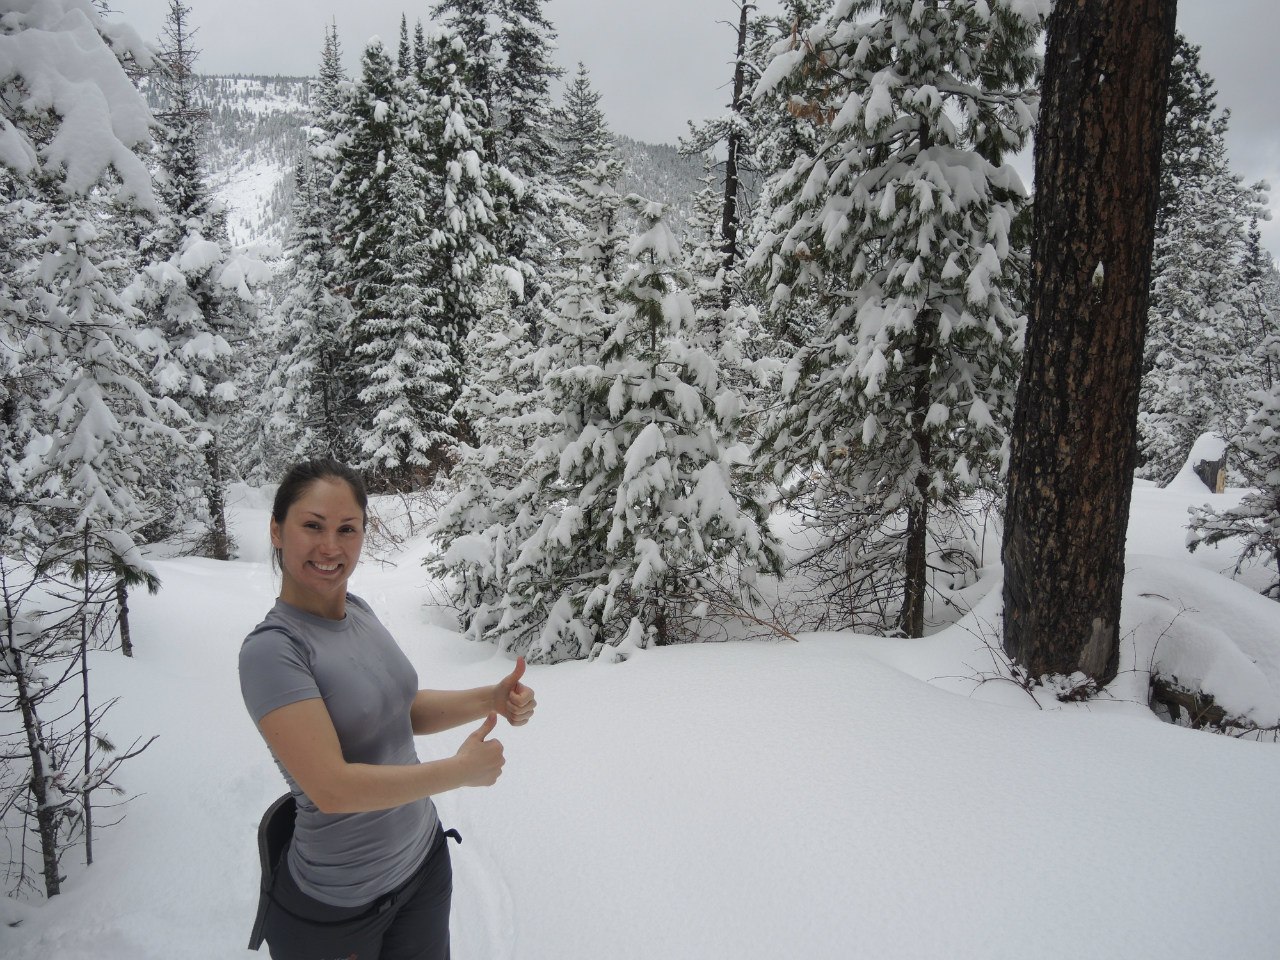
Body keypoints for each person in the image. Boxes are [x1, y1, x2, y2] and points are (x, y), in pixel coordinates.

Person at [239, 458, 535, 960]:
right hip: (339, 907)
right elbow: (332, 788)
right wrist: (460, 772)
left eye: (346, 529)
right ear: (276, 530)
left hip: (423, 864)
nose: (330, 546)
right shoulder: (273, 650)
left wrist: (489, 699)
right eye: (312, 526)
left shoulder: (357, 611)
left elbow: (399, 710)